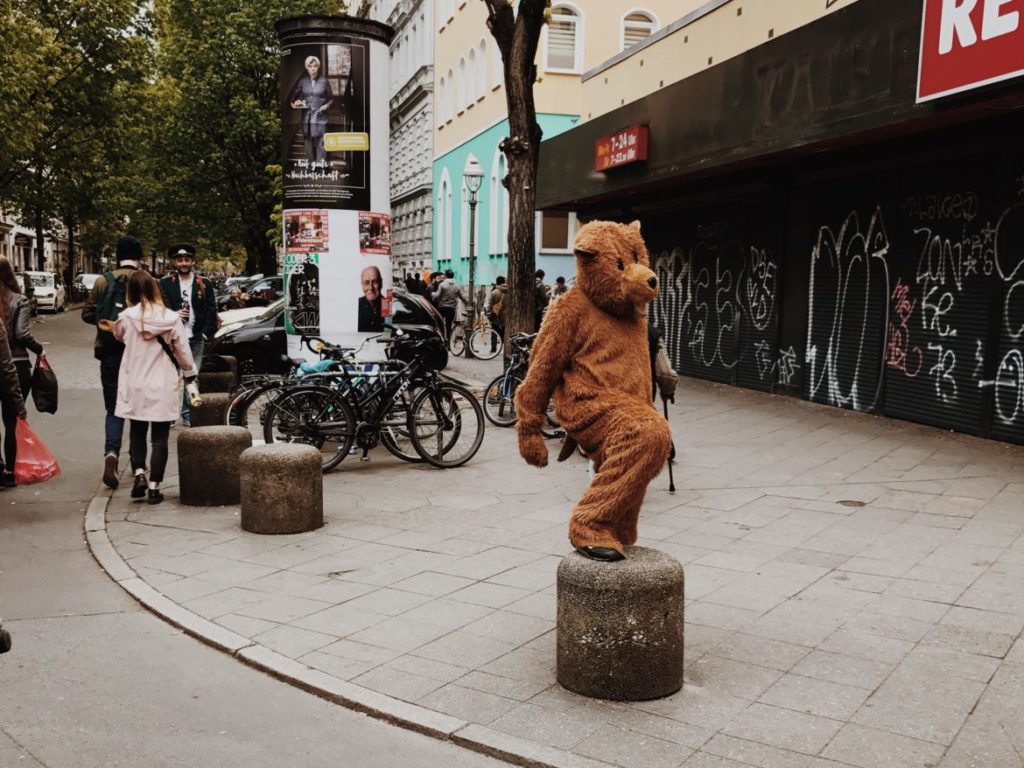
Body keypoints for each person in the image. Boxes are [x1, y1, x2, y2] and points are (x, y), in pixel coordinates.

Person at [99, 271, 197, 505]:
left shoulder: (125, 317)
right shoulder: (171, 318)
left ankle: (139, 473)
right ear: (155, 289)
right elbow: (183, 352)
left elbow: (120, 337)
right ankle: (155, 487)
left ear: (130, 292)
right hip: (162, 382)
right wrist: (190, 371)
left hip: (135, 382)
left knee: (137, 431)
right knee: (160, 438)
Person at [82, 235, 141, 489]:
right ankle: (139, 465)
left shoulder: (102, 281)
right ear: (138, 256)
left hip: (108, 353)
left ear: (118, 255)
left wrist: (108, 324)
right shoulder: (144, 281)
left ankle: (112, 453)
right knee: (138, 409)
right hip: (139, 355)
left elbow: (88, 314)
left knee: (113, 408)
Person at [159, 244, 217, 427]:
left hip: (196, 337)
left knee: (192, 376)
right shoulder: (165, 283)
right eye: (179, 260)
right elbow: (158, 309)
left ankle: (188, 413)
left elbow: (211, 309)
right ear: (174, 262)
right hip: (172, 337)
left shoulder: (203, 283)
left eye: (186, 259)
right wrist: (173, 314)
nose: (183, 263)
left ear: (192, 261)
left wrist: (206, 333)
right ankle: (168, 414)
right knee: (169, 376)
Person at [0, 258, 43, 487]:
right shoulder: (20, 300)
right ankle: (9, 471)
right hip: (16, 364)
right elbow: (22, 333)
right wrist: (39, 348)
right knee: (12, 420)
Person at [289, 55, 334, 167]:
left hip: (320, 116)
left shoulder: (324, 81)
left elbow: (332, 98)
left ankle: (320, 168)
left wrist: (326, 106)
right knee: (308, 143)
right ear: (307, 68)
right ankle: (310, 167)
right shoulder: (303, 81)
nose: (313, 68)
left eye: (315, 66)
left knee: (320, 143)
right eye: (310, 66)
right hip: (307, 118)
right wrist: (295, 103)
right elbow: (293, 97)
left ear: (318, 67)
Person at [431, 269, 466, 341]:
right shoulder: (457, 286)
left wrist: (432, 294)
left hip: (442, 308)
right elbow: (462, 297)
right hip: (451, 309)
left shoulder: (442, 285)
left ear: (446, 276)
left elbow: (437, 296)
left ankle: (442, 339)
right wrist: (468, 303)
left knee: (440, 324)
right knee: (449, 325)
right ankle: (448, 341)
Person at [357, 265, 385, 332]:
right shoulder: (357, 304)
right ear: (362, 285)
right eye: (366, 283)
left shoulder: (387, 305)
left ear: (381, 283)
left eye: (375, 282)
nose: (371, 288)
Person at [484, 276, 507, 354]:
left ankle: (493, 348)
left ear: (497, 282)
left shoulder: (494, 292)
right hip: (506, 316)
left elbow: (489, 304)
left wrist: (488, 313)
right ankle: (506, 348)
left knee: (494, 331)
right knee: (505, 332)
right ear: (504, 282)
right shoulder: (509, 291)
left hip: (496, 315)